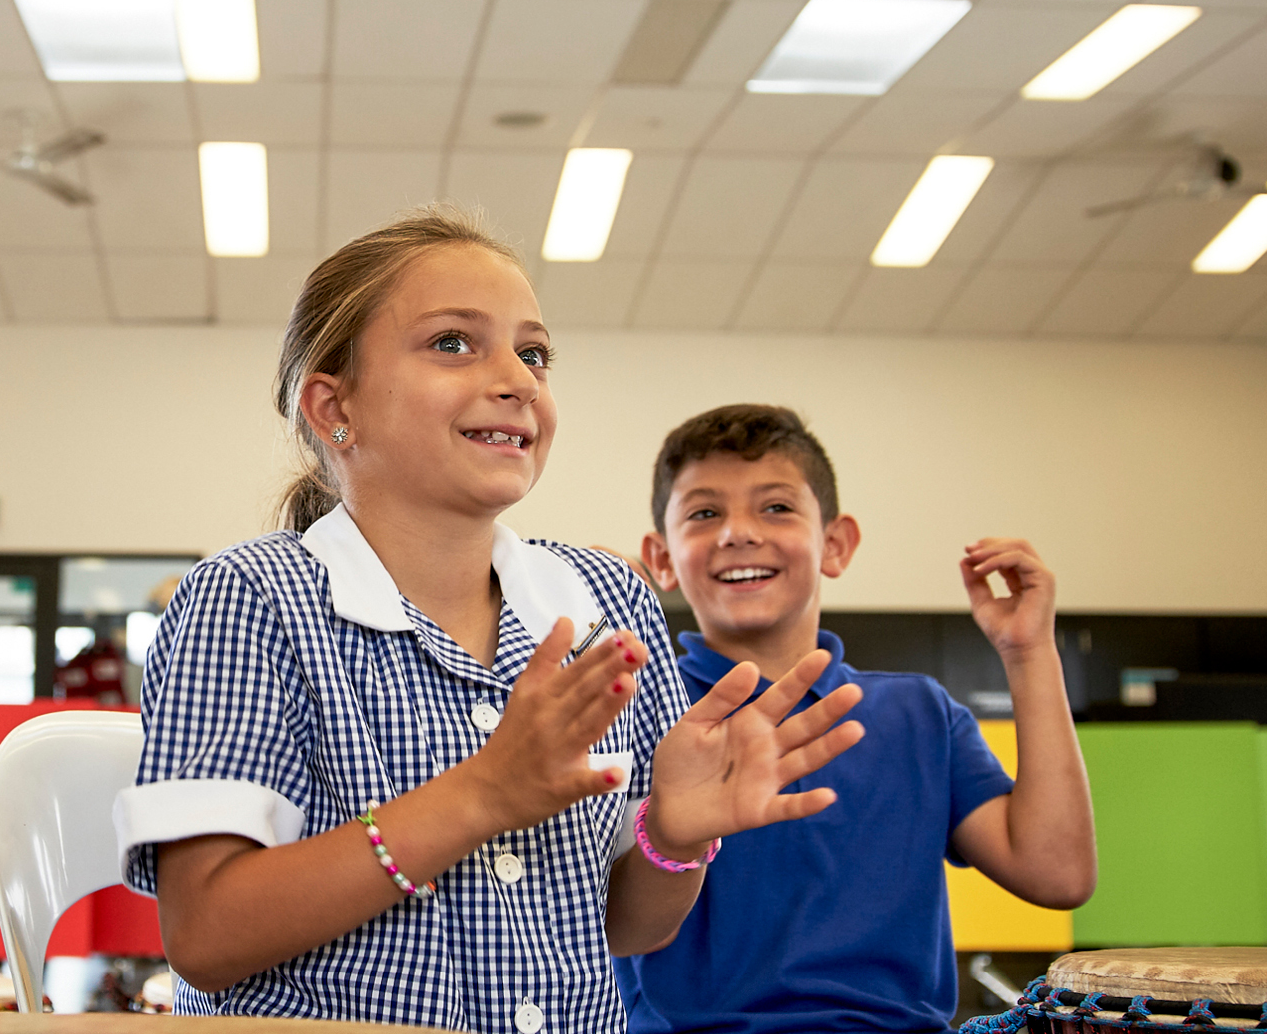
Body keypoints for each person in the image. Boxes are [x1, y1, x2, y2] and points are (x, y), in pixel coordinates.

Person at [113, 209, 865, 1033]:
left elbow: (630, 926)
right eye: (453, 343)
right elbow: (206, 933)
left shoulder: (606, 601)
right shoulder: (251, 599)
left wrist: (674, 836)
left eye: (532, 352)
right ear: (335, 407)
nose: (518, 379)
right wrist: (481, 795)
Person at [616, 404, 1096, 1034]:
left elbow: (1057, 872)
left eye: (776, 507)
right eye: (705, 513)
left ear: (835, 544)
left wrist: (1028, 651)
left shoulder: (920, 714)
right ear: (663, 558)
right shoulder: (629, 707)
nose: (738, 532)